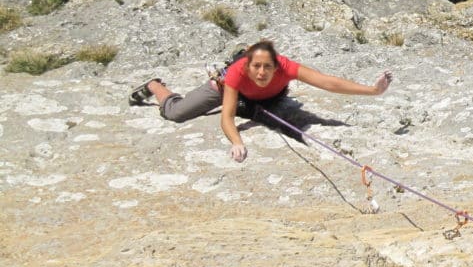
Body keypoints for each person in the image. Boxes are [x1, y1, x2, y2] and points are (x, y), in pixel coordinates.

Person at [130, 40, 392, 162]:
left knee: (272, 115)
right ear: (247, 64)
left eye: (267, 67)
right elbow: (227, 116)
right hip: (225, 91)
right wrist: (237, 142)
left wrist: (372, 90)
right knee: (177, 113)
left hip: (265, 100)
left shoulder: (287, 66)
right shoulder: (236, 73)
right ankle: (156, 86)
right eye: (256, 66)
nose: (261, 73)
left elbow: (327, 82)